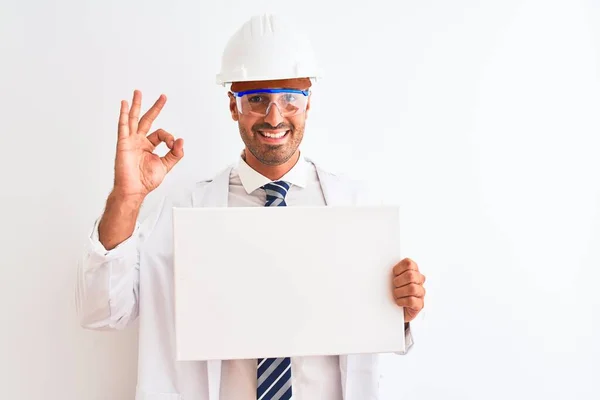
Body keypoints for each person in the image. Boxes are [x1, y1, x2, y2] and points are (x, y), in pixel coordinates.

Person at [76, 13, 426, 400]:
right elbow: (104, 311)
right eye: (256, 99)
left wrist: (401, 313)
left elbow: (382, 332)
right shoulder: (177, 212)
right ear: (233, 106)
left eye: (290, 99)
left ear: (308, 104)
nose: (274, 117)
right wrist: (127, 198)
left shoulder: (357, 209)